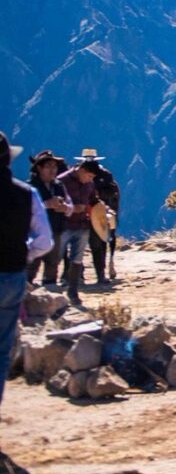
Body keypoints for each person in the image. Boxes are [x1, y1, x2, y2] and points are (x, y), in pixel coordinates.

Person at [1, 132, 53, 409]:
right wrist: (24, 253)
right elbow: (44, 241)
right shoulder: (26, 194)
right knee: (2, 347)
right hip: (11, 275)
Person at [59, 157, 101, 305]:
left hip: (82, 226)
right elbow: (55, 202)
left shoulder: (89, 184)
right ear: (81, 170)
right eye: (88, 176)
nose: (90, 179)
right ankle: (51, 291)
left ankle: (73, 292)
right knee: (55, 257)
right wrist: (70, 208)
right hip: (64, 226)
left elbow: (93, 200)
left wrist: (104, 210)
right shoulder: (62, 181)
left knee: (77, 259)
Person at [28, 152, 71, 287]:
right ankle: (26, 287)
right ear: (39, 168)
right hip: (34, 232)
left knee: (53, 261)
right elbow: (23, 209)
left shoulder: (59, 186)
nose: (53, 170)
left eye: (54, 166)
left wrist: (65, 208)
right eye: (48, 166)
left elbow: (70, 206)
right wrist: (47, 204)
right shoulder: (30, 187)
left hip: (55, 229)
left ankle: (50, 286)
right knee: (32, 262)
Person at [82, 150, 120, 286]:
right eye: (87, 158)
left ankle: (102, 270)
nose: (89, 160)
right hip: (83, 211)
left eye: (91, 158)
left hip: (101, 211)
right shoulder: (79, 173)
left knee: (102, 240)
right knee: (79, 241)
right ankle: (79, 273)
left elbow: (112, 191)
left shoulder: (105, 174)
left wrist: (99, 196)